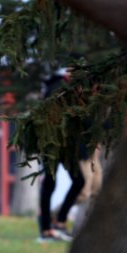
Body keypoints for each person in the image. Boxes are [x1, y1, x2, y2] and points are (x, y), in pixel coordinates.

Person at [37, 70, 86, 242]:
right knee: (50, 183)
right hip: (52, 143)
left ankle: (59, 221)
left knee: (78, 181)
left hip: (65, 145)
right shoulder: (58, 87)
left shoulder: (72, 87)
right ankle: (45, 228)